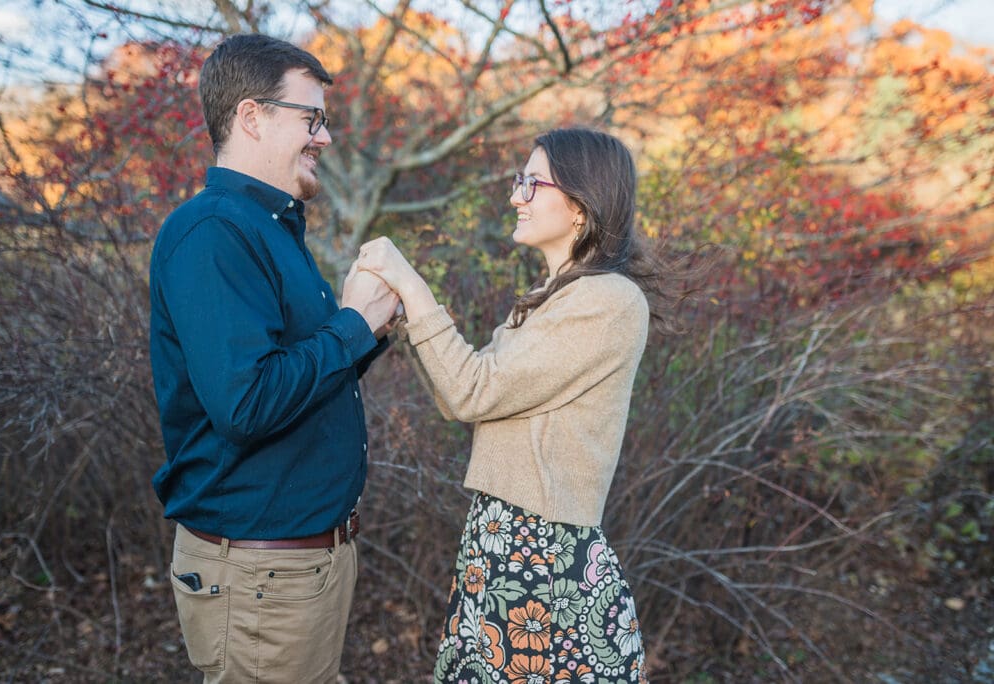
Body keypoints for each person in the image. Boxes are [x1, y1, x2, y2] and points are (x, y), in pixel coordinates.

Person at [357, 128, 686, 683]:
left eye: (532, 183)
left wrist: (412, 286)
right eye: (519, 182)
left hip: (541, 556)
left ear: (580, 204)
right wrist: (410, 318)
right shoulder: (555, 297)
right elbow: (457, 397)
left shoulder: (606, 300)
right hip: (504, 542)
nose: (517, 197)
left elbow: (470, 389)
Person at [148, 34, 398, 683]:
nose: (326, 138)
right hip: (261, 575)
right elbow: (248, 404)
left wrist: (366, 330)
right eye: (311, 118)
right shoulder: (212, 233)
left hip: (301, 567)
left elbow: (297, 381)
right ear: (251, 117)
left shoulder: (273, 228)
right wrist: (352, 326)